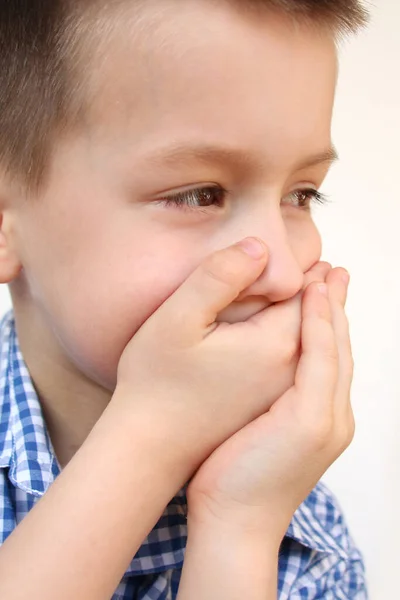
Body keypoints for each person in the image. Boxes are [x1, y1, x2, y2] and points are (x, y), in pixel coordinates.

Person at [0, 0, 369, 598]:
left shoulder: (306, 538)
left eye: (301, 196)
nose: (279, 272)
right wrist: (153, 432)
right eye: (201, 194)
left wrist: (238, 528)